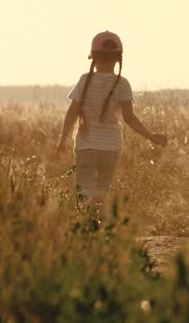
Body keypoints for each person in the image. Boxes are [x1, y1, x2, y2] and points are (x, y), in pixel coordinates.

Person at [56, 30, 168, 210]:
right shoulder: (123, 84)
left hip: (86, 144)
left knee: (84, 187)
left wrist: (63, 140)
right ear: (118, 59)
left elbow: (72, 112)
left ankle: (85, 223)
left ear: (93, 57)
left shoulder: (85, 80)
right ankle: (99, 223)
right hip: (111, 146)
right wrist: (151, 135)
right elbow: (130, 119)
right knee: (102, 188)